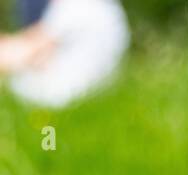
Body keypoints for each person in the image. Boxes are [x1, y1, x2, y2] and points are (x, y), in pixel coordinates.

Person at [0, 0, 128, 108]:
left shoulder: (74, 7)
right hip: (101, 91)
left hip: (64, 96)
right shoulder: (108, 8)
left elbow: (26, 51)